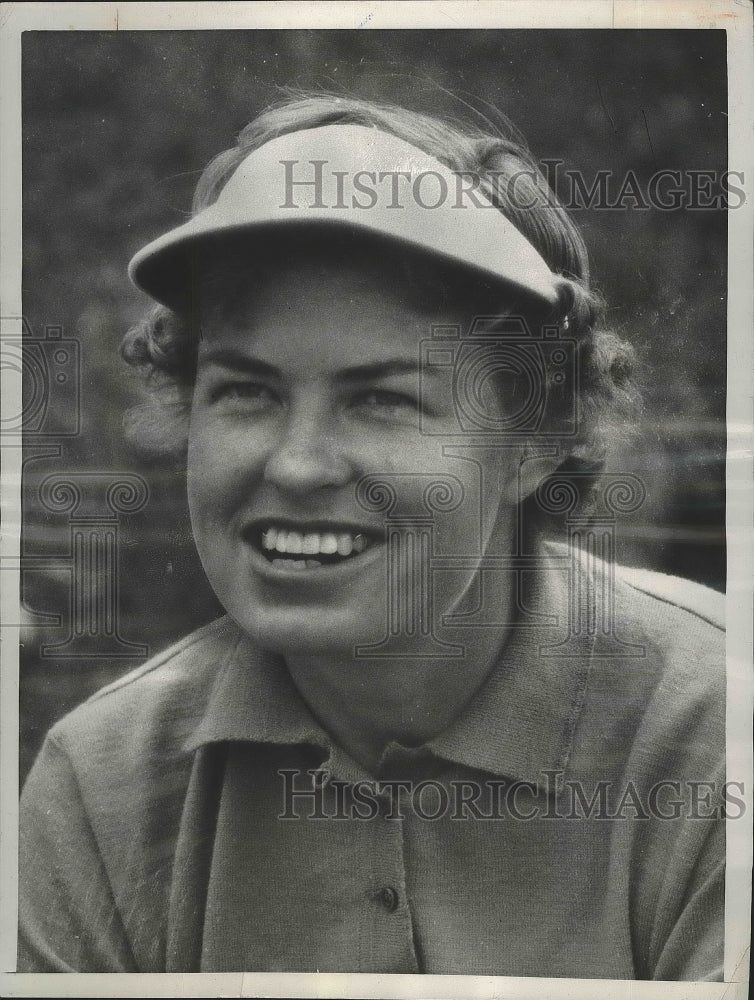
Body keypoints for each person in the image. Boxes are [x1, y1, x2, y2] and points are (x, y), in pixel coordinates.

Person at [18, 94, 725, 978]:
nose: (298, 466)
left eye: (383, 397)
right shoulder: (101, 787)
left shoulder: (714, 729)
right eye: (247, 391)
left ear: (536, 438)